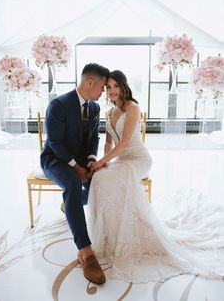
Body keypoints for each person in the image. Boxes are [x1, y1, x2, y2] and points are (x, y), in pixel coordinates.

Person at [89, 70, 224, 283]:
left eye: (116, 86)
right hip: (121, 161)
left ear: (124, 86)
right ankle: (110, 237)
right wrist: (102, 162)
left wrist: (101, 163)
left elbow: (124, 144)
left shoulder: (133, 108)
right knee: (99, 178)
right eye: (108, 87)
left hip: (139, 160)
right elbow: (108, 143)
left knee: (106, 176)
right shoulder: (109, 112)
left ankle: (129, 236)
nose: (112, 91)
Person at [40, 63, 109, 284]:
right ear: (90, 82)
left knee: (99, 182)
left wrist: (90, 161)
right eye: (102, 87)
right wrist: (76, 168)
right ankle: (85, 251)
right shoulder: (58, 105)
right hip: (55, 159)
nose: (104, 93)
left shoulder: (95, 109)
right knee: (71, 183)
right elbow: (56, 143)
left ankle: (68, 204)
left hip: (79, 160)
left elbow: (94, 139)